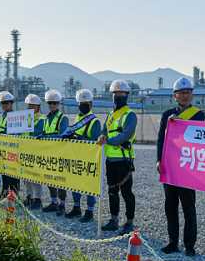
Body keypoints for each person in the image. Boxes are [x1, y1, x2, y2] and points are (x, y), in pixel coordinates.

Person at [157, 77, 205, 256]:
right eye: (181, 93)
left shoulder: (198, 114)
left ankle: (190, 244)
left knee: (188, 207)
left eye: (188, 92)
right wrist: (158, 160)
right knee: (170, 206)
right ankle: (172, 241)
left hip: (187, 167)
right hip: (170, 165)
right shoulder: (166, 115)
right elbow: (160, 140)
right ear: (175, 95)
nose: (185, 96)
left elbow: (197, 136)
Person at [98, 79, 137, 233]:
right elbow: (103, 131)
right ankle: (113, 220)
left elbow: (125, 135)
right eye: (115, 93)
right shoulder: (110, 115)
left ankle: (129, 222)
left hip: (124, 160)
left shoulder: (130, 115)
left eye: (121, 93)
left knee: (127, 192)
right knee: (112, 191)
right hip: (110, 160)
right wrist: (102, 137)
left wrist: (107, 140)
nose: (118, 96)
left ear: (126, 95)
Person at [62, 89, 102, 222]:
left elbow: (95, 142)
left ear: (91, 104)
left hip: (89, 159)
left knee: (88, 185)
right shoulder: (77, 118)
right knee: (75, 184)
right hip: (75, 156)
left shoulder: (94, 121)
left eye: (86, 103)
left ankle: (90, 211)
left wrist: (79, 137)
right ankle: (77, 207)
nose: (83, 105)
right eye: (81, 103)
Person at [41, 89, 70, 215]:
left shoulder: (63, 118)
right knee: (49, 179)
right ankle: (54, 202)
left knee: (60, 180)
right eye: (50, 103)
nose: (52, 105)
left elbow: (62, 136)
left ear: (58, 104)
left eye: (54, 103)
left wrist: (45, 138)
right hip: (48, 153)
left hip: (59, 153)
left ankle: (62, 204)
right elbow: (45, 131)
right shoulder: (46, 118)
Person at [22, 94, 44, 209]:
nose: (30, 108)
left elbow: (39, 134)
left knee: (35, 177)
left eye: (33, 106)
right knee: (26, 177)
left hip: (35, 152)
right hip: (25, 151)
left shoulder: (41, 119)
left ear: (38, 107)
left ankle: (38, 199)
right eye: (29, 106)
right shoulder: (25, 118)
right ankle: (29, 196)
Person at [0, 90, 20, 196]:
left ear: (11, 103)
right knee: (4, 171)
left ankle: (14, 193)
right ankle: (5, 190)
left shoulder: (16, 116)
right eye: (2, 103)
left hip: (12, 149)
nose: (4, 105)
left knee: (13, 173)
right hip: (3, 149)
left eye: (6, 103)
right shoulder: (3, 116)